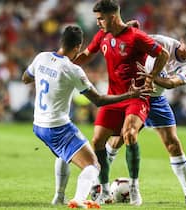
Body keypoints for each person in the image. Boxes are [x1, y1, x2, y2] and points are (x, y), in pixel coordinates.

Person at [22, 25, 151, 208]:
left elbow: (25, 78)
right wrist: (130, 95)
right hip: (58, 127)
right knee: (93, 165)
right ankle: (79, 199)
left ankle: (59, 197)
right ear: (78, 47)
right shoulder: (71, 69)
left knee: (63, 154)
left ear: (62, 41)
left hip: (39, 125)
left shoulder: (41, 57)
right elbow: (98, 100)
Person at [74, 0, 169, 206]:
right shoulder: (102, 36)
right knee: (98, 141)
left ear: (113, 17)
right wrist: (64, 63)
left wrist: (151, 77)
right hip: (114, 96)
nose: (98, 23)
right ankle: (105, 189)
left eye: (100, 19)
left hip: (137, 97)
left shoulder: (135, 36)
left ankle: (134, 187)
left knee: (130, 134)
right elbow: (86, 55)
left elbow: (163, 53)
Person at [105, 28, 186, 204]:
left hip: (157, 99)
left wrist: (151, 77)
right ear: (181, 41)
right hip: (136, 95)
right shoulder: (162, 42)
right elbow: (133, 41)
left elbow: (172, 83)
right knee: (119, 139)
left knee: (173, 143)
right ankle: (99, 185)